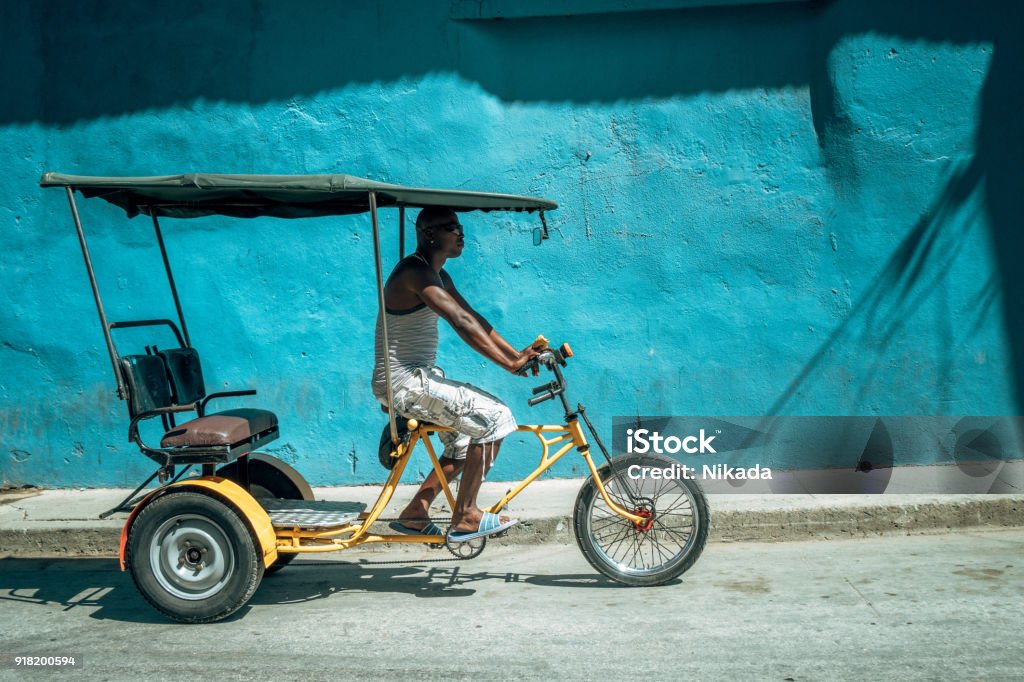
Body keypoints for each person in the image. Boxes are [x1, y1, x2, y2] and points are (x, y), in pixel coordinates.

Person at [372, 206, 540, 542]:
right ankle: (466, 516)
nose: (461, 233)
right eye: (452, 227)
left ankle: (415, 512)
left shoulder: (438, 275)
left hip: (418, 379)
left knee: (464, 441)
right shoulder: (414, 272)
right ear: (429, 233)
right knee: (494, 417)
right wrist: (508, 366)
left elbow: (472, 315)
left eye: (460, 227)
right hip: (404, 383)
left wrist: (516, 354)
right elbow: (459, 323)